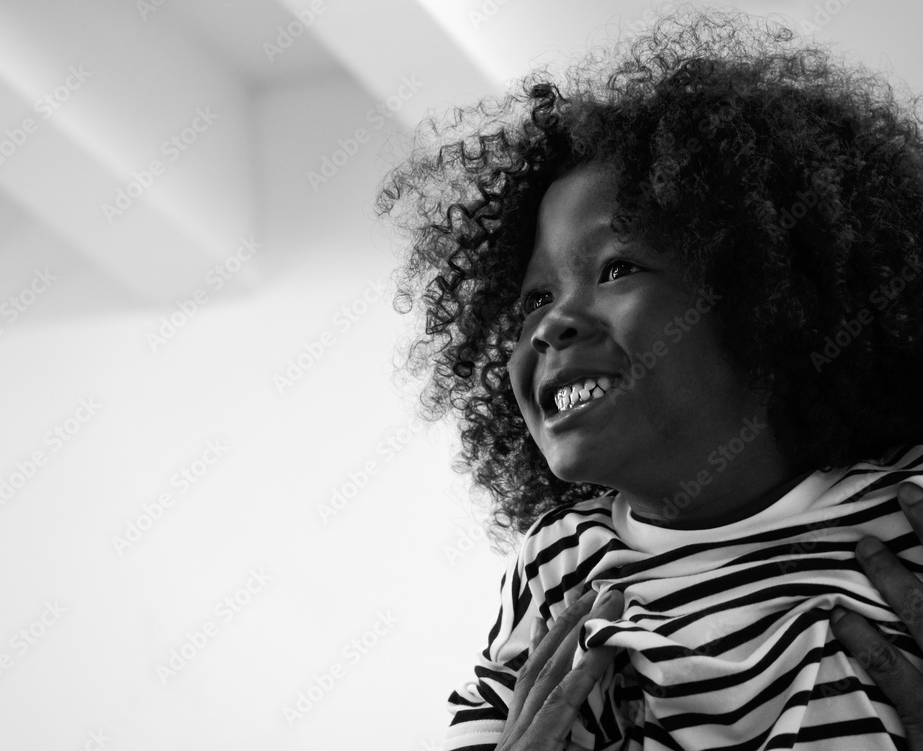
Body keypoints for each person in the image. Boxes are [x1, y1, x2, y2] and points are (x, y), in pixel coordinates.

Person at [376, 8, 923, 751]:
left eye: (616, 268)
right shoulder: (562, 565)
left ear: (769, 303)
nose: (550, 324)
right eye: (534, 297)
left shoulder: (906, 507)